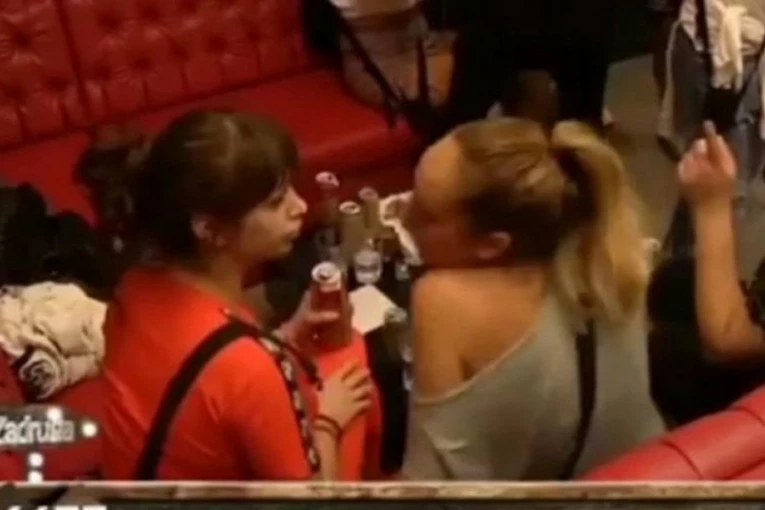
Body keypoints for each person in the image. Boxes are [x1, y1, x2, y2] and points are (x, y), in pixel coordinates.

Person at [84, 110, 373, 480]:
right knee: (348, 352)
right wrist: (328, 420)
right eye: (275, 202)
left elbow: (197, 380)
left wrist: (282, 338)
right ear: (209, 229)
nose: (300, 206)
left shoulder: (133, 284)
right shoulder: (249, 366)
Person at [400, 118, 665, 480]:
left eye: (426, 214)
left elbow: (428, 490)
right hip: (652, 468)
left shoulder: (441, 302)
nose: (404, 216)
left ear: (492, 245)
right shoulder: (614, 251)